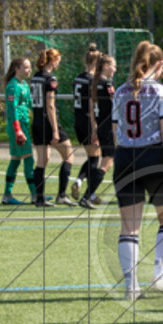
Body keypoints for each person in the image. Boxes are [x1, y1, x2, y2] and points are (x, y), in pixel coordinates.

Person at [111, 41, 163, 300]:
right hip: (154, 156)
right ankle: (160, 277)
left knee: (129, 227)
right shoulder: (162, 91)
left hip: (124, 157)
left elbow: (115, 130)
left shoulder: (120, 91)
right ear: (159, 64)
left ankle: (131, 286)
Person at [30, 48, 76, 207]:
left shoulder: (35, 77)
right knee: (69, 156)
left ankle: (39, 198)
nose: (58, 64)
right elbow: (50, 105)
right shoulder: (51, 79)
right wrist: (55, 130)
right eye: (58, 61)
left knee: (42, 161)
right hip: (48, 122)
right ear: (52, 61)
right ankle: (61, 195)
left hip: (37, 121)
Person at [2, 57, 37, 205]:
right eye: (26, 67)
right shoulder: (12, 86)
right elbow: (12, 109)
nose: (29, 70)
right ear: (17, 68)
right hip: (17, 127)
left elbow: (30, 104)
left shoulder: (24, 85)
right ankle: (35, 195)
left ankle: (7, 195)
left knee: (16, 160)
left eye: (30, 67)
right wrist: (18, 130)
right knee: (29, 158)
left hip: (23, 125)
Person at [84, 53, 117, 207]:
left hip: (101, 126)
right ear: (105, 66)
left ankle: (90, 195)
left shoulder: (94, 83)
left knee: (109, 161)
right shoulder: (107, 83)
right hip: (109, 127)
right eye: (113, 66)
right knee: (106, 163)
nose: (115, 69)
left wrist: (94, 128)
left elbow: (91, 108)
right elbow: (116, 103)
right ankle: (87, 196)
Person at [71, 43, 101, 204]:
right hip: (89, 121)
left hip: (78, 120)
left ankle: (92, 194)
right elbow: (91, 105)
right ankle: (79, 181)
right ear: (96, 62)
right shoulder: (92, 80)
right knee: (94, 159)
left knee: (92, 157)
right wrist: (95, 127)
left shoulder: (78, 78)